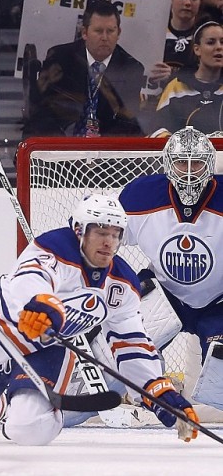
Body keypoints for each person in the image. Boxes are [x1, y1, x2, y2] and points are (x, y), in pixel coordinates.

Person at [0, 194, 198, 446]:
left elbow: (131, 343)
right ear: (79, 230)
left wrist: (157, 391)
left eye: (115, 233)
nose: (109, 242)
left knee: (28, 429)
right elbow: (29, 277)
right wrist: (41, 303)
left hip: (45, 350)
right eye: (100, 231)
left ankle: (26, 410)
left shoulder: (122, 285)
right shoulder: (54, 247)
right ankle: (1, 406)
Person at [119, 126, 223, 412]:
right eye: (182, 162)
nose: (189, 172)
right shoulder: (141, 196)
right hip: (164, 296)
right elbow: (102, 238)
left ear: (209, 165)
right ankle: (142, 397)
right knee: (123, 351)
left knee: (221, 386)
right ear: (168, 164)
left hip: (219, 302)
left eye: (196, 163)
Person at [22, 0, 145, 139]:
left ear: (119, 32)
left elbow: (127, 122)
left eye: (111, 31)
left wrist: (98, 145)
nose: (105, 37)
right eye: (98, 31)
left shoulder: (131, 68)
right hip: (61, 141)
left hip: (105, 149)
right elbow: (41, 110)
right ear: (85, 32)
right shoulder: (60, 58)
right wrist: (64, 145)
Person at [140, 0, 205, 127]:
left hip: (188, 116)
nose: (187, 3)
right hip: (146, 113)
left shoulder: (207, 39)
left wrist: (175, 77)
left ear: (201, 1)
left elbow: (210, 81)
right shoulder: (150, 34)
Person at [152, 21, 223, 136]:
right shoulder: (175, 87)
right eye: (211, 42)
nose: (219, 47)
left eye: (222, 42)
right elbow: (158, 130)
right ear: (197, 49)